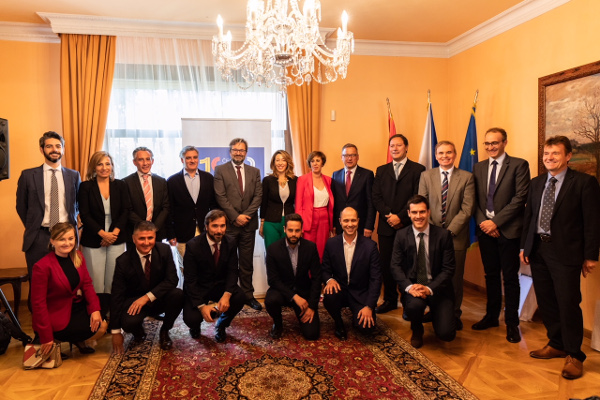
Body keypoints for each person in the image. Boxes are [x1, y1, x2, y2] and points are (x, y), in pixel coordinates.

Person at [520, 136, 600, 380]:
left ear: (568, 156)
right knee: (546, 301)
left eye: (555, 153)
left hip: (566, 253)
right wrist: (525, 247)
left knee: (567, 302)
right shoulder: (536, 183)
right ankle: (556, 343)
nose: (549, 158)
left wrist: (590, 255)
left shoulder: (584, 183)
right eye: (546, 153)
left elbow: (592, 221)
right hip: (539, 250)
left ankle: (575, 355)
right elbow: (529, 218)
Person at [472, 127, 529, 344]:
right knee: (491, 275)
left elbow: (520, 198)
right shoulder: (478, 167)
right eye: (487, 143)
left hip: (509, 231)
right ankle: (491, 316)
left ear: (504, 142)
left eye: (494, 143)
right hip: (485, 231)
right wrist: (485, 224)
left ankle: (512, 323)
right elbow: (474, 199)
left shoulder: (519, 165)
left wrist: (495, 222)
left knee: (510, 278)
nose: (490, 147)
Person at [418, 141, 475, 330]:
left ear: (455, 154)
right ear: (436, 156)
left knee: (454, 279)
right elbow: (422, 205)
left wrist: (448, 232)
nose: (445, 156)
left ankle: (454, 314)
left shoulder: (466, 177)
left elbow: (467, 209)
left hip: (456, 238)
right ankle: (434, 311)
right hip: (431, 236)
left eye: (448, 152)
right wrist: (435, 232)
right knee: (432, 276)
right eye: (441, 153)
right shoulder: (426, 176)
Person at [390, 195, 456, 349]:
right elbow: (395, 266)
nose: (418, 216)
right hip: (414, 287)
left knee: (447, 334)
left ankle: (436, 314)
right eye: (414, 212)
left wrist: (429, 288)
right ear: (408, 213)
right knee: (414, 307)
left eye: (422, 212)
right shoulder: (401, 235)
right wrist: (409, 287)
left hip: (438, 288)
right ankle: (417, 329)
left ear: (428, 212)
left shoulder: (443, 235)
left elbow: (448, 269)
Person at [31, 222, 105, 356]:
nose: (67, 243)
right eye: (62, 239)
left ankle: (78, 339)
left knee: (103, 316)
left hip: (75, 305)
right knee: (89, 327)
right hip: (56, 313)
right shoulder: (42, 267)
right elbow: (38, 304)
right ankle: (55, 339)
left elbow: (87, 284)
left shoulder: (78, 256)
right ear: (52, 241)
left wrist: (95, 309)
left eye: (71, 238)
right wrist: (46, 336)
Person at [110, 221, 184, 352]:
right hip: (136, 301)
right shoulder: (123, 261)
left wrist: (147, 297)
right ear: (134, 239)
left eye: (150, 238)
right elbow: (117, 295)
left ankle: (165, 330)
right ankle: (138, 332)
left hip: (158, 298)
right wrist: (115, 331)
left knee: (178, 294)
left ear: (155, 237)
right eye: (141, 238)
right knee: (128, 323)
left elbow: (172, 279)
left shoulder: (164, 250)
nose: (146, 242)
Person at [372, 134, 425, 314]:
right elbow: (376, 197)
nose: (394, 148)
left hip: (407, 225)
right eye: (392, 145)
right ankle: (390, 300)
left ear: (406, 147)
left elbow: (417, 197)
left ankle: (408, 301)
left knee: (408, 265)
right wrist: (389, 215)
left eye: (398, 145)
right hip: (386, 225)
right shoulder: (381, 170)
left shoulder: (418, 169)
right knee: (387, 264)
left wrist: (401, 217)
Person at [16, 131, 81, 277]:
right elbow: (21, 206)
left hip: (66, 236)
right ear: (42, 149)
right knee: (38, 280)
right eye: (49, 146)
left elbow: (77, 204)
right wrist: (33, 225)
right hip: (38, 237)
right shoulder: (28, 176)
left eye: (58, 146)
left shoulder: (74, 175)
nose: (54, 150)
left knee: (65, 281)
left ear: (63, 149)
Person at [78, 151, 131, 314]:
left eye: (107, 164)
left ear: (112, 166)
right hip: (93, 238)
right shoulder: (86, 186)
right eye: (100, 164)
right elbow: (85, 214)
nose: (104, 168)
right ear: (93, 167)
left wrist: (113, 234)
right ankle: (96, 314)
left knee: (114, 278)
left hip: (117, 237)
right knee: (95, 279)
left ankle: (111, 314)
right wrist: (103, 234)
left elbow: (126, 210)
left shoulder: (120, 185)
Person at [214, 138, 263, 311]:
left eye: (242, 150)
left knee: (246, 263)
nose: (238, 153)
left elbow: (258, 196)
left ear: (246, 153)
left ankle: (248, 295)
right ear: (230, 152)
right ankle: (227, 296)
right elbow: (220, 196)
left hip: (248, 225)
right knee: (227, 262)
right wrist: (235, 217)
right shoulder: (220, 170)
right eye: (235, 150)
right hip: (229, 225)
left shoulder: (255, 171)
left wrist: (246, 216)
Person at [183, 210, 246, 343]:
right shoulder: (193, 246)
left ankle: (221, 325)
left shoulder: (230, 242)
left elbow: (233, 271)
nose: (219, 230)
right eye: (215, 226)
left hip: (219, 285)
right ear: (206, 227)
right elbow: (190, 279)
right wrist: (201, 306)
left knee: (240, 297)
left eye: (222, 226)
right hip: (199, 287)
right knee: (191, 318)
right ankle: (195, 327)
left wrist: (227, 294)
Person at [322, 207, 382, 340]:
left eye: (353, 220)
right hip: (340, 290)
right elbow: (325, 269)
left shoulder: (370, 246)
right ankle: (339, 324)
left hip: (360, 294)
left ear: (358, 221)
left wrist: (369, 306)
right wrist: (329, 280)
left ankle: (357, 318)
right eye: (346, 220)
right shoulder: (331, 244)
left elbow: (376, 279)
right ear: (340, 221)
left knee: (366, 329)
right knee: (329, 297)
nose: (350, 224)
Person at [265, 213, 321, 341]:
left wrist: (312, 306)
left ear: (302, 230)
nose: (294, 234)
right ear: (284, 229)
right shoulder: (273, 249)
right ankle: (278, 324)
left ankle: (304, 314)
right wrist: (294, 297)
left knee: (312, 334)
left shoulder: (311, 248)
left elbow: (317, 278)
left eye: (297, 230)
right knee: (271, 300)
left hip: (303, 292)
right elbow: (273, 280)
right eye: (290, 230)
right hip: (282, 291)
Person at [167, 145, 217, 257]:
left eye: (195, 157)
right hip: (182, 233)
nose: (192, 160)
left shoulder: (208, 178)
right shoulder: (172, 181)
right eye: (188, 158)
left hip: (205, 231)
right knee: (185, 265)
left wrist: (213, 227)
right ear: (182, 160)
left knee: (205, 264)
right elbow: (169, 209)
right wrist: (170, 234)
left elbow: (213, 205)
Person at [123, 147, 170, 242]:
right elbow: (127, 209)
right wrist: (144, 228)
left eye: (148, 159)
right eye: (141, 160)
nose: (145, 163)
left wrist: (154, 228)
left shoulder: (161, 181)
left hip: (157, 232)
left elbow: (166, 207)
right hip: (135, 232)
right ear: (134, 162)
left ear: (152, 161)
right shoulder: (125, 182)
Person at [295, 151, 334, 260]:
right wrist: (299, 226)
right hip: (308, 219)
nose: (315, 163)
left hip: (324, 219)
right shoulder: (302, 180)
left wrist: (332, 226)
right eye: (312, 161)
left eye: (318, 160)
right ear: (309, 163)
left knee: (322, 250)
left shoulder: (329, 180)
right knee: (307, 250)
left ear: (322, 163)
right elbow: (298, 205)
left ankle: (320, 271)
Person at [331, 144, 375, 238]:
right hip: (341, 225)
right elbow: (334, 203)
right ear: (342, 157)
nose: (349, 158)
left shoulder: (367, 175)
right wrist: (334, 225)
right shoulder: (335, 175)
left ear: (357, 157)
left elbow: (371, 203)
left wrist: (369, 226)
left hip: (361, 225)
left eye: (353, 155)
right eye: (346, 155)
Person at [260, 150, 297, 250]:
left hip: (289, 222)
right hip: (271, 222)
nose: (280, 163)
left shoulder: (295, 180)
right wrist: (262, 223)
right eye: (277, 160)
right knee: (272, 251)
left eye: (283, 160)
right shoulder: (267, 180)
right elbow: (263, 202)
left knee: (288, 252)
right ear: (274, 163)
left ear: (288, 162)